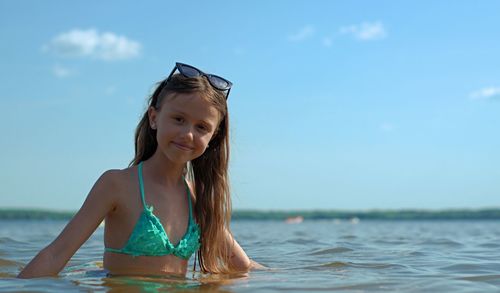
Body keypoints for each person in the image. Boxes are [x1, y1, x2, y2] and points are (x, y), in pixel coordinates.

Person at [18, 62, 263, 278]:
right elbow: (56, 254)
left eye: (201, 127)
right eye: (178, 119)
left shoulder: (197, 197)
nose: (188, 134)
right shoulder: (116, 185)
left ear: (213, 137)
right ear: (154, 118)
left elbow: (242, 265)